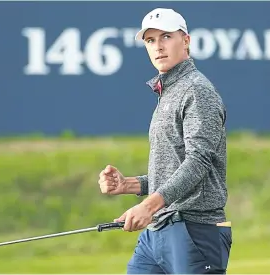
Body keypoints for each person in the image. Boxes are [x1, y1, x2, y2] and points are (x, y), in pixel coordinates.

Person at [98, 7, 232, 274]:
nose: (158, 47)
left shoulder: (196, 90)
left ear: (186, 40)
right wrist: (131, 185)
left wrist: (148, 205)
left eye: (166, 37)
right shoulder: (168, 92)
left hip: (195, 232)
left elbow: (198, 163)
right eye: (150, 40)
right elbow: (174, 168)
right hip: (157, 233)